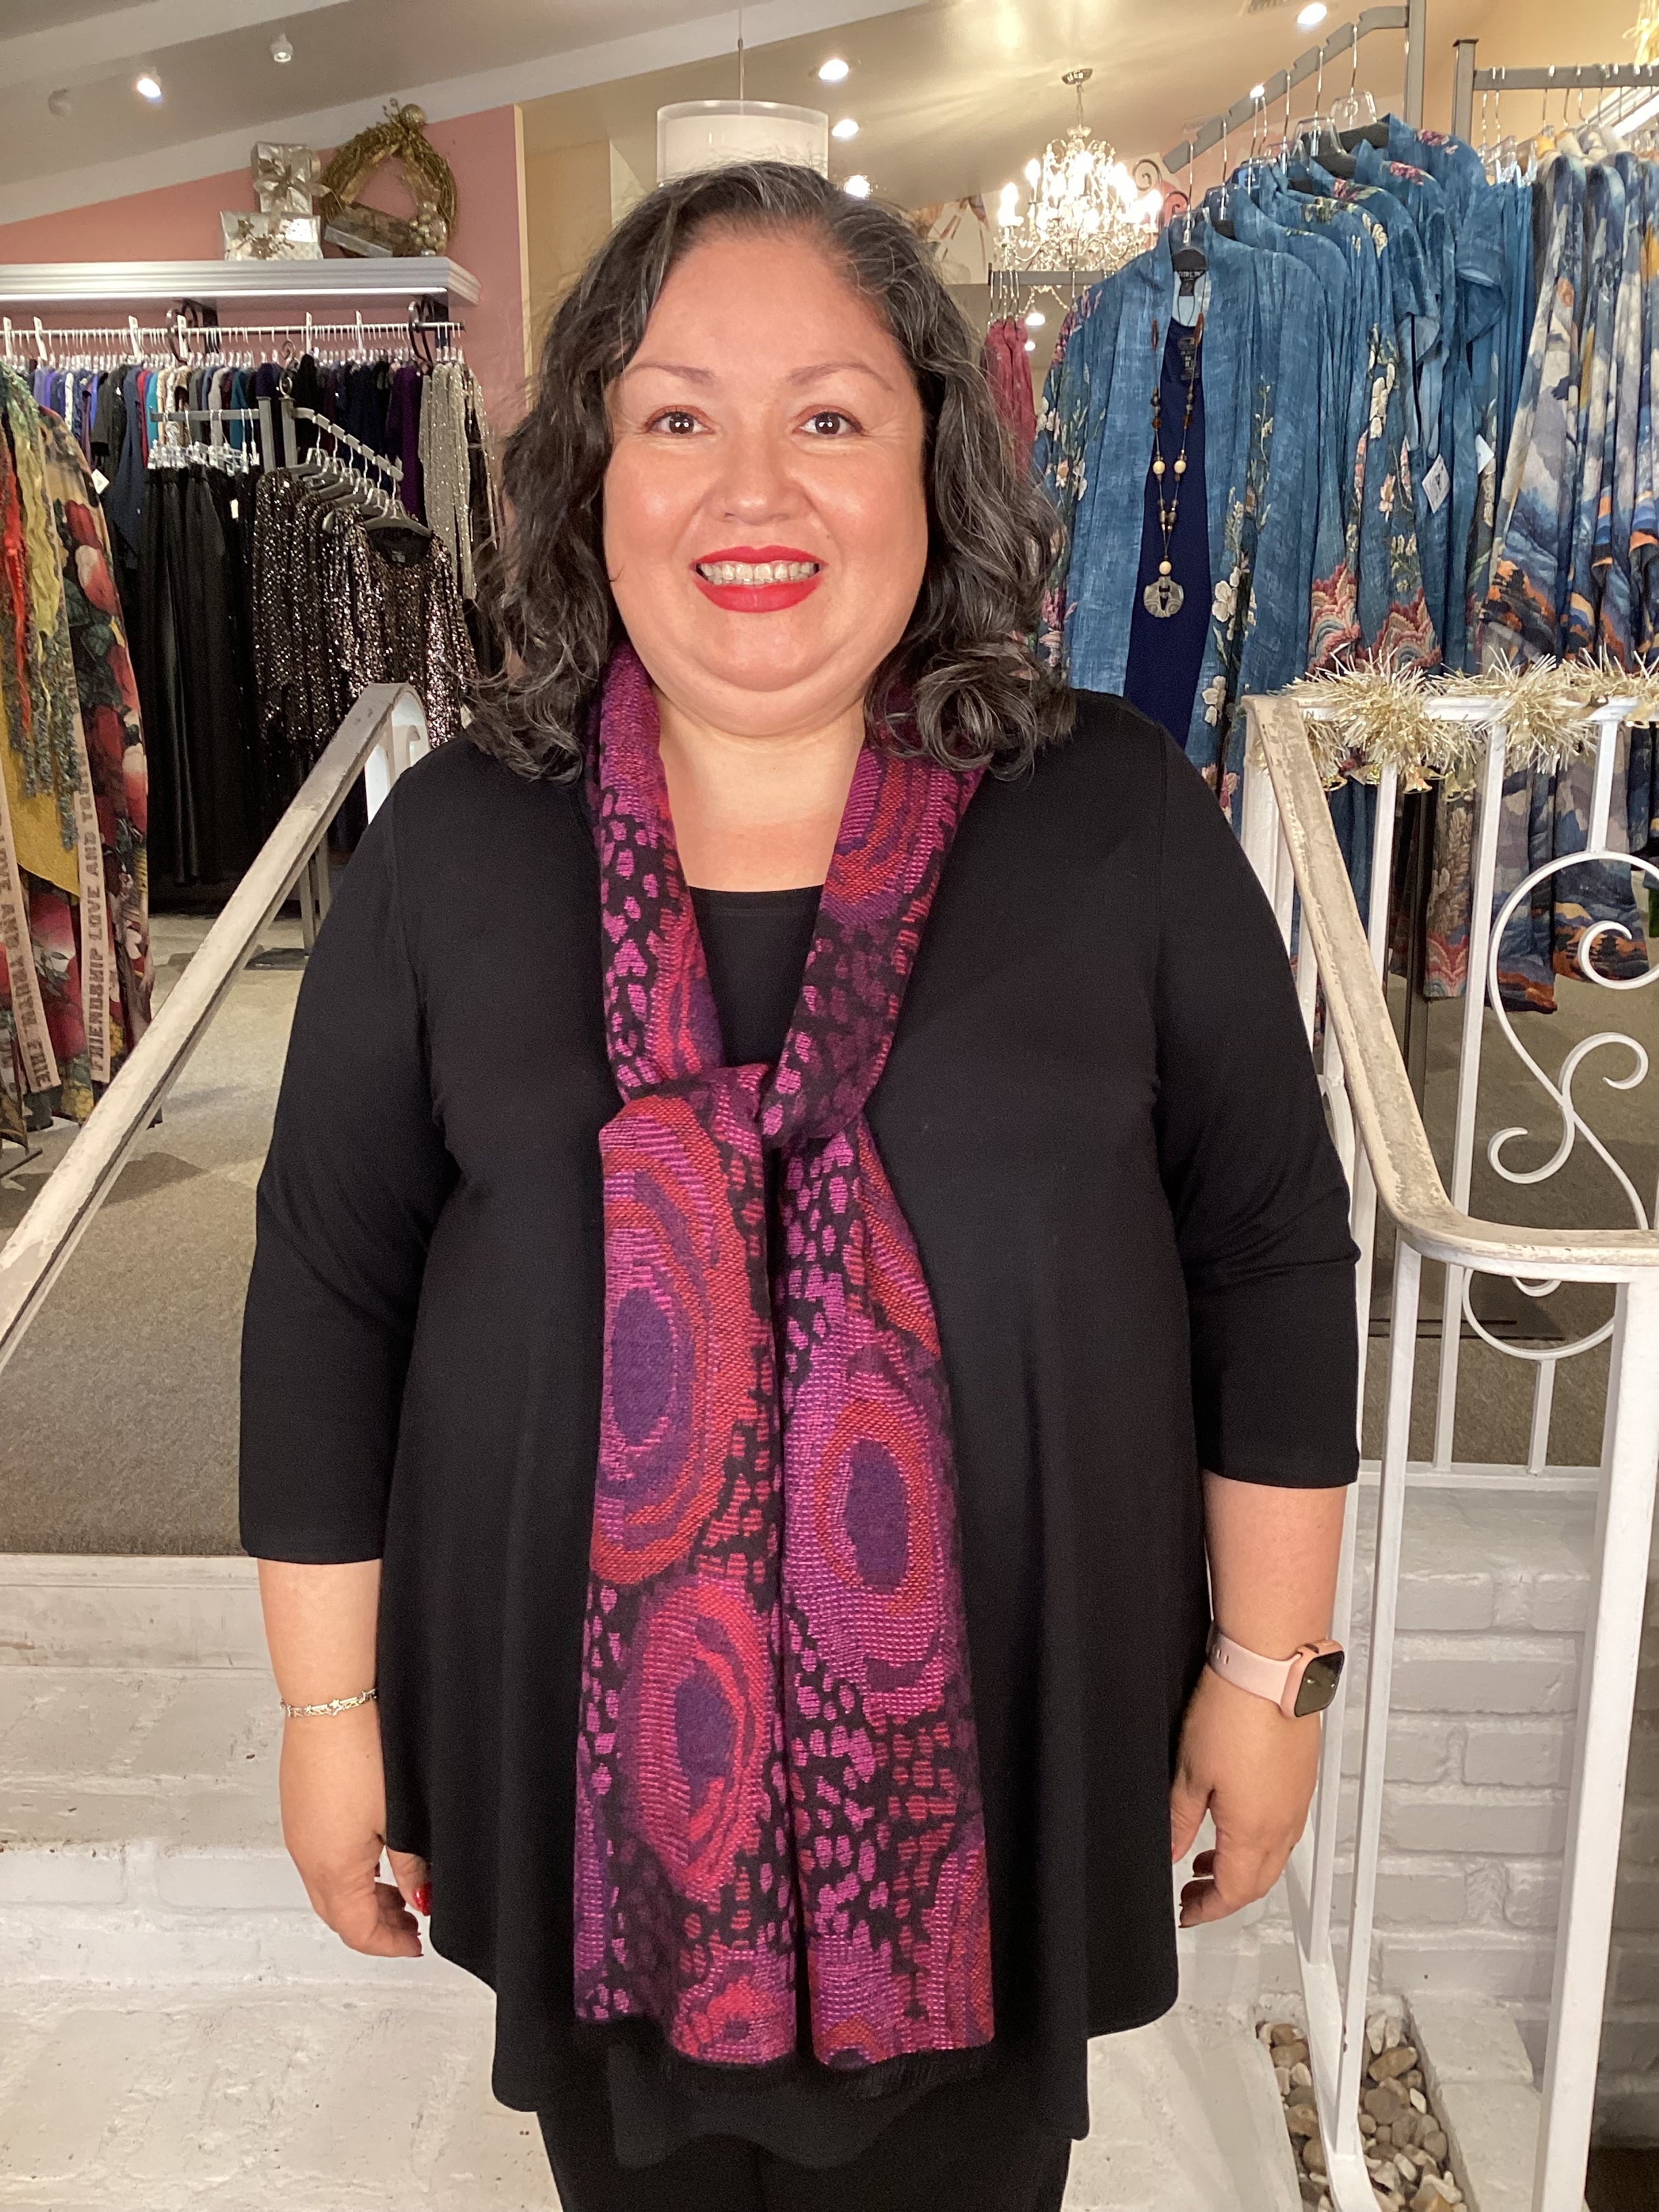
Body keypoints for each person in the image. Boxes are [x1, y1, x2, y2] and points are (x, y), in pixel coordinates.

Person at [241, 161, 1357, 2212]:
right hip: (586, 1793)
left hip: (1003, 1781)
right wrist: (327, 1709)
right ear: (593, 472)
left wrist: (1269, 1672)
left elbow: (1271, 1251)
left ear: (935, 458)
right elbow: (328, 1293)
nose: (751, 489)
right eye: (678, 417)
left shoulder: (1111, 819)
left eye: (829, 415)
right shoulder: (457, 850)